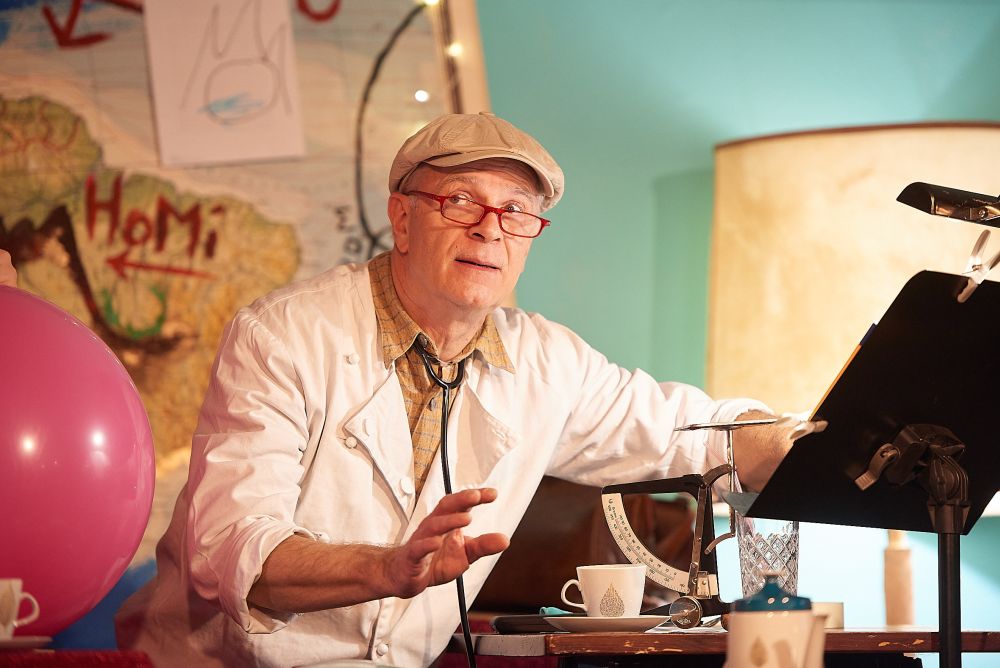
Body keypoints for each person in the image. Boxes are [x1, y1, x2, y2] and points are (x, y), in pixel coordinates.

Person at [116, 112, 794, 667]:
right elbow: (233, 551)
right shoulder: (284, 335)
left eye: (516, 211)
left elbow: (687, 434)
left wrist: (802, 440)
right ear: (402, 218)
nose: (490, 228)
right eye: (461, 200)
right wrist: (384, 569)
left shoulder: (547, 360)